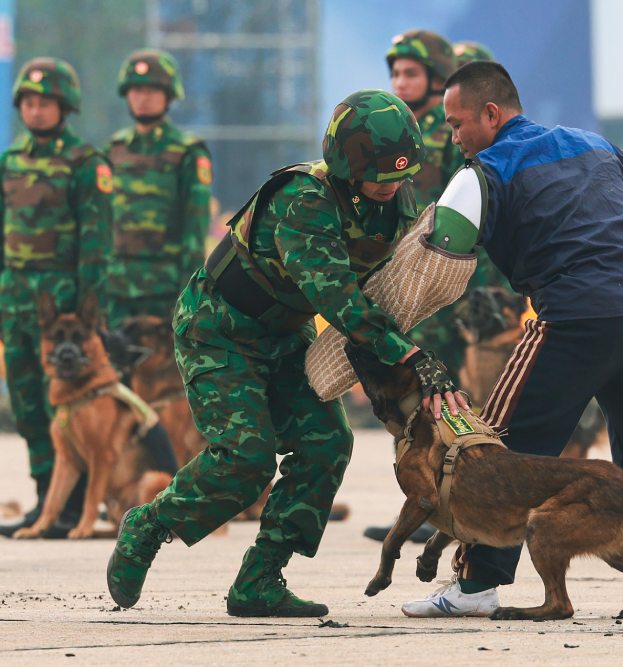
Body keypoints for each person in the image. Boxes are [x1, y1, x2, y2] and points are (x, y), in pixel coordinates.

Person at [106, 89, 467, 617]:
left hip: (284, 331)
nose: (393, 187)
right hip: (220, 328)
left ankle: (260, 580)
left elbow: (395, 278)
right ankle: (150, 525)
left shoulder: (394, 201)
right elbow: (336, 295)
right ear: (348, 164)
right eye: (381, 176)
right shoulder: (303, 198)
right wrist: (406, 355)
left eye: (401, 175)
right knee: (246, 459)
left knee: (326, 443)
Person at [400, 61, 623, 618]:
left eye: (457, 122)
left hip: (577, 314)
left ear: (491, 114)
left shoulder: (488, 169)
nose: (454, 136)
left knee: (500, 448)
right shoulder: (590, 143)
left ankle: (476, 586)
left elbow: (439, 248)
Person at [364, 32, 510, 544]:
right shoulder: (390, 128)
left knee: (441, 400)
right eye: (396, 74)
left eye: (411, 74)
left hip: (442, 288)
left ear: (436, 76)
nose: (401, 83)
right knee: (402, 404)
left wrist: (479, 289)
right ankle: (419, 500)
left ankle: (453, 503)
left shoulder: (450, 131)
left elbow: (467, 210)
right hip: (402, 284)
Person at [0, 58, 112, 538]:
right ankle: (46, 497)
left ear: (64, 106)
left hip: (63, 304)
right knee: (28, 402)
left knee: (66, 405)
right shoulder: (10, 162)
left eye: (45, 102)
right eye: (28, 101)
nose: (36, 109)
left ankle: (73, 505)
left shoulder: (85, 164)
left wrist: (88, 306)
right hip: (15, 298)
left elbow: (96, 239)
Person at [105, 49, 212, 329]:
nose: (142, 98)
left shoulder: (187, 152)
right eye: (136, 90)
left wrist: (188, 293)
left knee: (161, 372)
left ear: (168, 96)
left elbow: (195, 227)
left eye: (152, 90)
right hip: (117, 289)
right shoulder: (114, 150)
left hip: (164, 291)